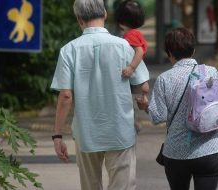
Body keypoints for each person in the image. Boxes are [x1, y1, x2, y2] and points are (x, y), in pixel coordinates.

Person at [50, 0, 150, 189]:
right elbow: (143, 86)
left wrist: (57, 135)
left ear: (79, 19)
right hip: (120, 130)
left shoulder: (68, 50)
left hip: (86, 132)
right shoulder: (123, 46)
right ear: (104, 14)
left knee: (90, 185)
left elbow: (65, 96)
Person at [136, 28, 218, 190]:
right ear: (193, 50)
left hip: (176, 154)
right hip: (210, 149)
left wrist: (146, 107)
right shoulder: (210, 72)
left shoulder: (164, 79)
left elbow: (158, 116)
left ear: (169, 53)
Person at [115, 0, 147, 78]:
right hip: (138, 65)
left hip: (135, 66)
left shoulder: (130, 35)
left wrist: (131, 68)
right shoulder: (135, 32)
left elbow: (139, 51)